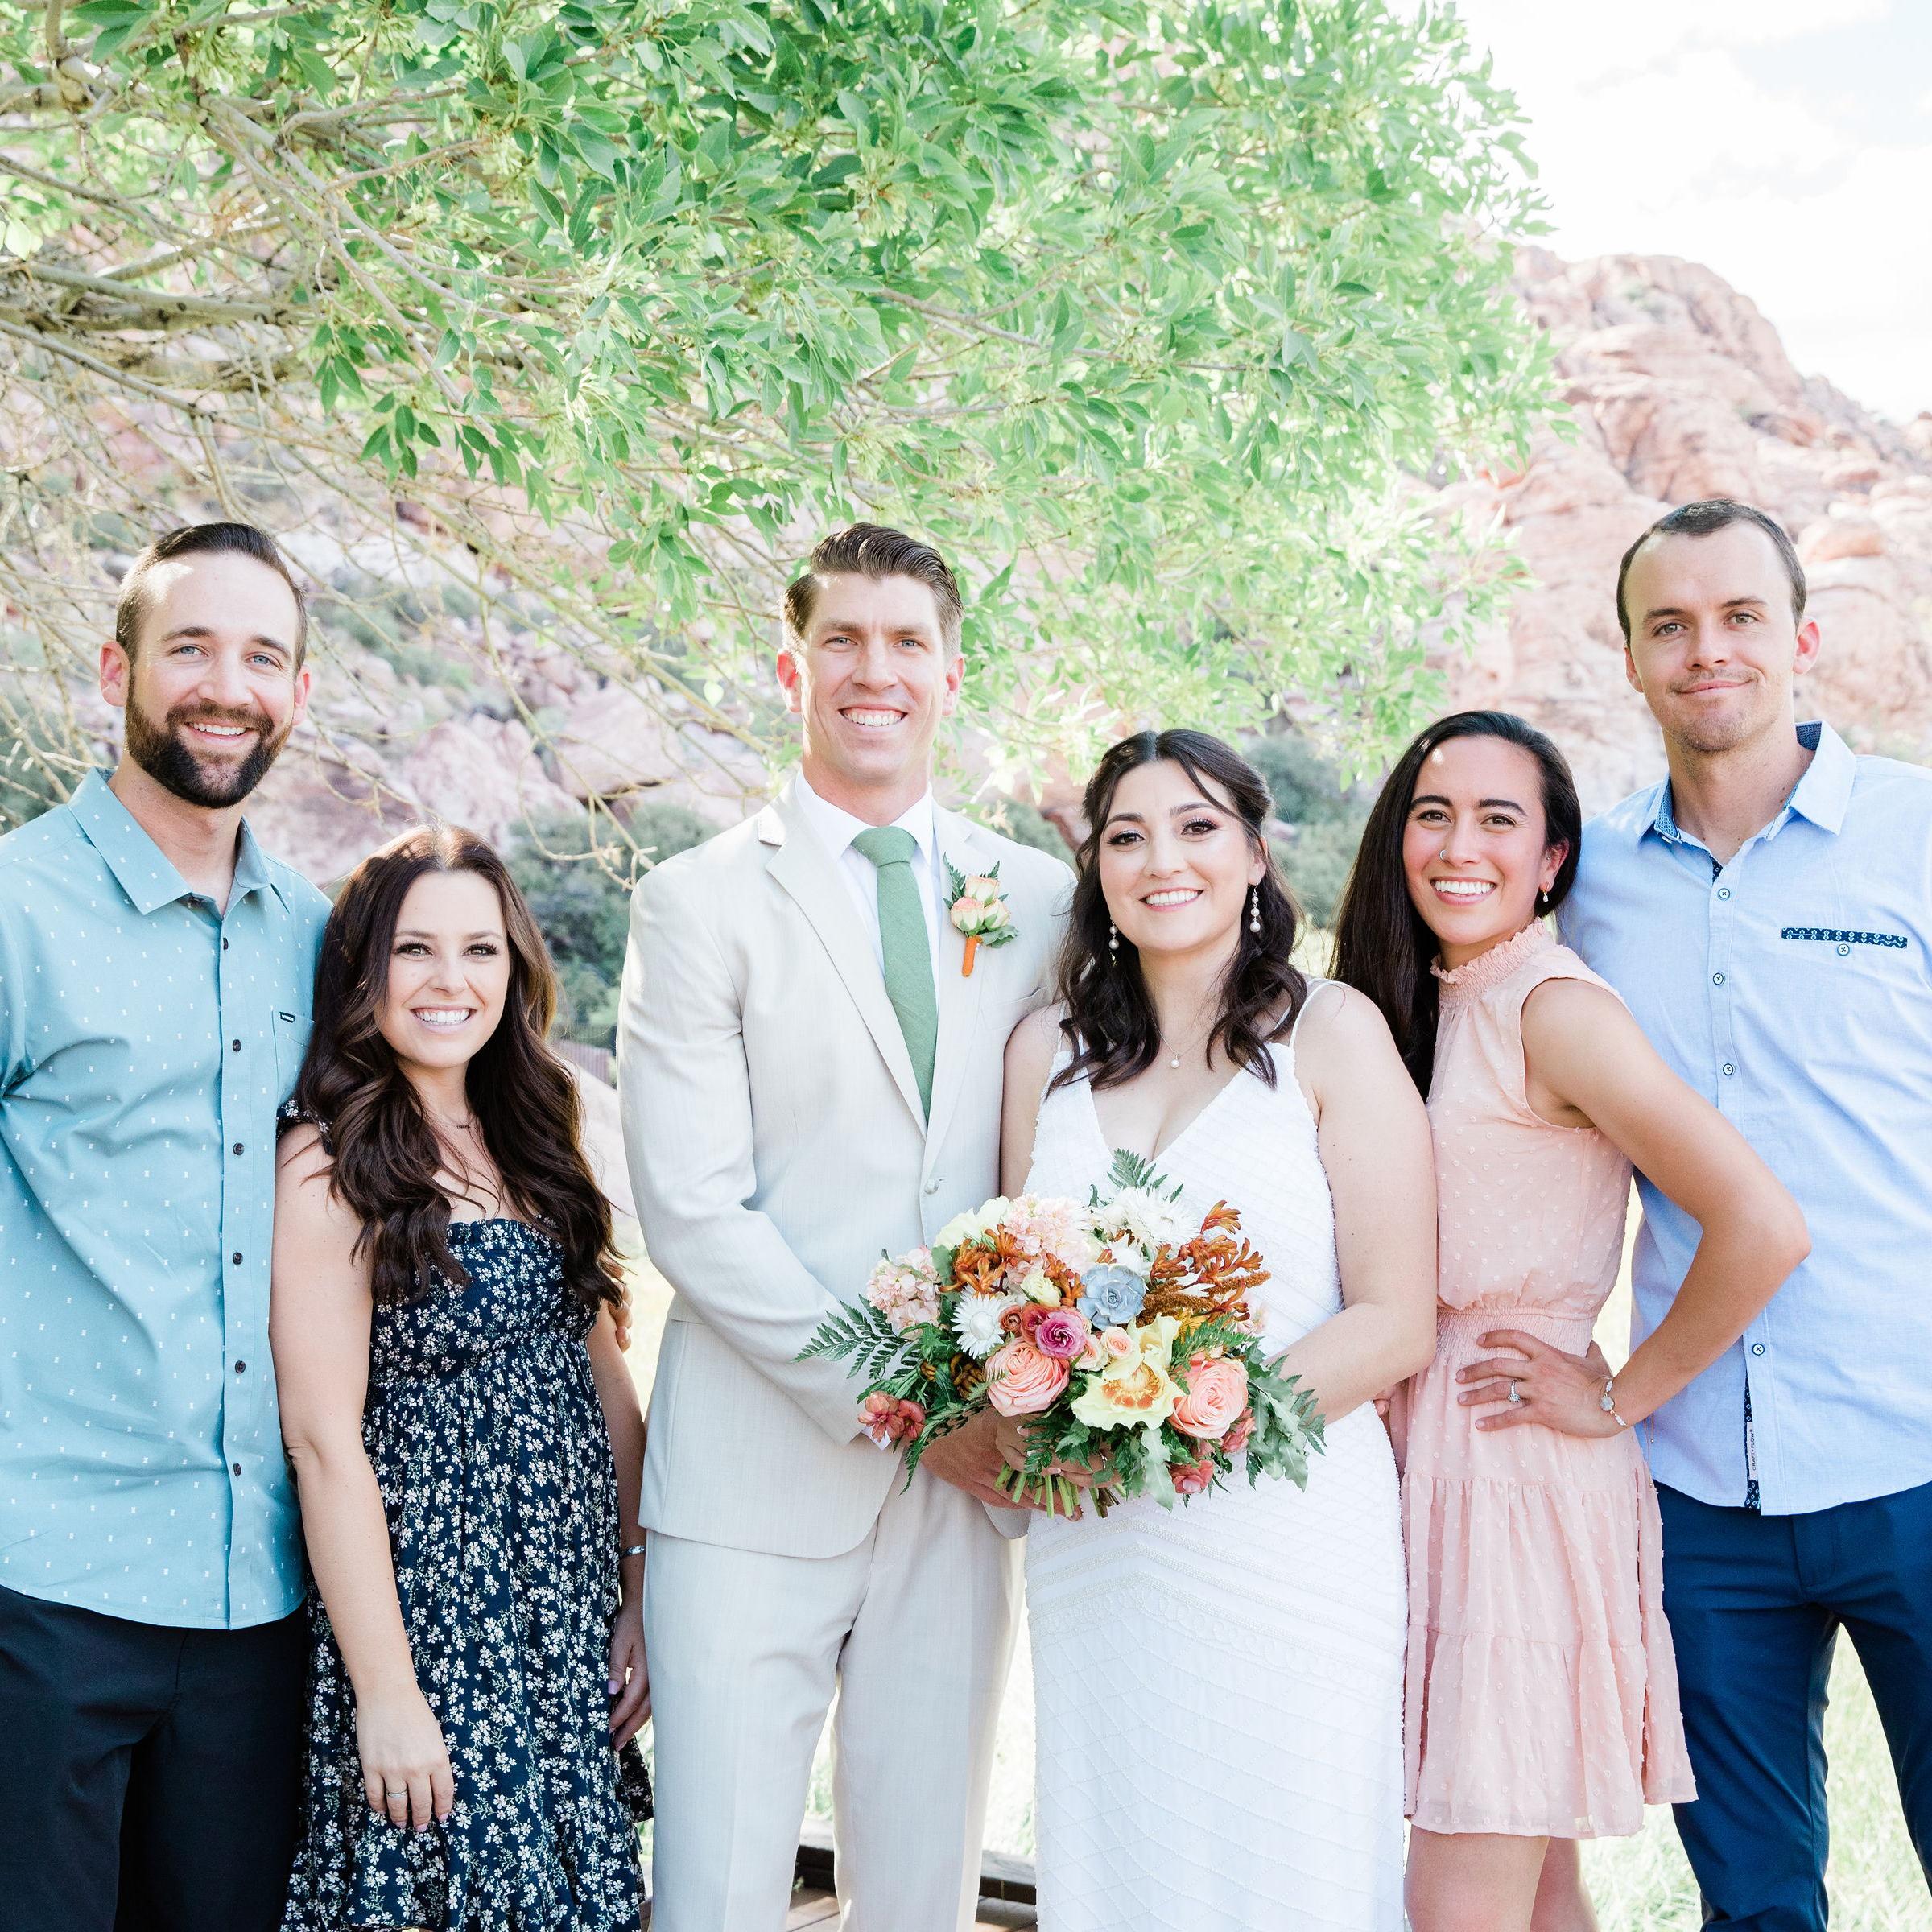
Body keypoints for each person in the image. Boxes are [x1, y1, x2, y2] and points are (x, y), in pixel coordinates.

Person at [620, 523, 1072, 1931]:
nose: (876, 671)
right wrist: (908, 1406)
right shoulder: (695, 903)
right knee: (716, 1893)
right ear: (793, 669)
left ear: (949, 674)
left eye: (906, 643)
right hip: (751, 1487)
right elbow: (696, 1213)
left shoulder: (1040, 898)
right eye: (843, 642)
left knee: (922, 1895)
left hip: (966, 1498)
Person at [1332, 708, 1806, 1932]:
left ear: (1552, 861)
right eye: (1434, 815)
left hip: (1512, 1471)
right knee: (1536, 1888)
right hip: (1426, 1454)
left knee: (1457, 1896)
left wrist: (1618, 1394)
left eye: (1500, 820)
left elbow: (1761, 1224)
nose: (1460, 846)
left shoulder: (1553, 1008)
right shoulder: (1424, 1003)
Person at [1560, 498, 1932, 1930]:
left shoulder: (1912, 835)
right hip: (1703, 1486)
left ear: (1803, 640)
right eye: (1670, 626)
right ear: (1632, 659)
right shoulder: (1588, 882)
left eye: (1739, 618)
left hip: (1913, 1456)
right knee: (1755, 1906)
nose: (1705, 650)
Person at [1000, 728, 1438, 1931]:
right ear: (1096, 868)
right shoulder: (1044, 1052)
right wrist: (1064, 1415)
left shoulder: (1333, 1032)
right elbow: (1016, 1291)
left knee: (1294, 1862)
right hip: (1101, 1545)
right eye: (1127, 837)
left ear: (1254, 852)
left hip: (1288, 1530)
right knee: (1124, 1852)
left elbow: (1396, 1316)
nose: (1163, 861)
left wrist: (1184, 1425)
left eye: (1197, 828)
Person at [0, 523, 326, 1930]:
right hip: (40, 1584)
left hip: (258, 1595)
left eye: (262, 657)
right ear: (114, 670)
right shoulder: (16, 908)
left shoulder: (315, 934)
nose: (225, 688)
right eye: (190, 648)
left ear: (298, 693)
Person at [274, 824, 650, 1930]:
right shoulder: (329, 1158)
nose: (452, 981)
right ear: (364, 970)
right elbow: (323, 1446)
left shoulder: (536, 1129)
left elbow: (605, 1379)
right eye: (416, 950)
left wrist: (639, 1590)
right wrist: (388, 1694)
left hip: (563, 1609)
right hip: (437, 1619)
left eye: (480, 950)